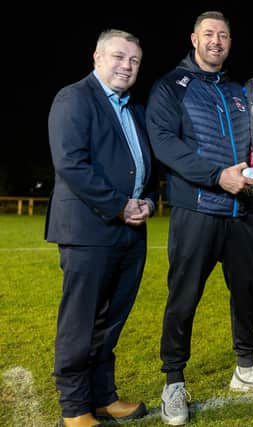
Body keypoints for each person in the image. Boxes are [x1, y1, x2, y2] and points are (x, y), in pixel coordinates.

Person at [145, 11, 253, 426]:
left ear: (230, 42)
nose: (217, 41)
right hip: (198, 210)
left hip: (245, 214)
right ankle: (174, 380)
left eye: (224, 35)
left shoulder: (242, 92)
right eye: (209, 34)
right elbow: (163, 144)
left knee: (247, 294)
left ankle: (245, 368)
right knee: (183, 298)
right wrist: (216, 176)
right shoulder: (170, 87)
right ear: (194, 38)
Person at [46, 29, 156, 427]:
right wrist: (119, 206)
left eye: (134, 60)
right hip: (88, 231)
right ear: (97, 56)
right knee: (81, 321)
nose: (126, 66)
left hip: (129, 232)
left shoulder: (134, 109)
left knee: (110, 322)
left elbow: (145, 169)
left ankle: (103, 396)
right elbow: (71, 163)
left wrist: (147, 202)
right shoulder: (74, 98)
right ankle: (75, 408)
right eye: (119, 56)